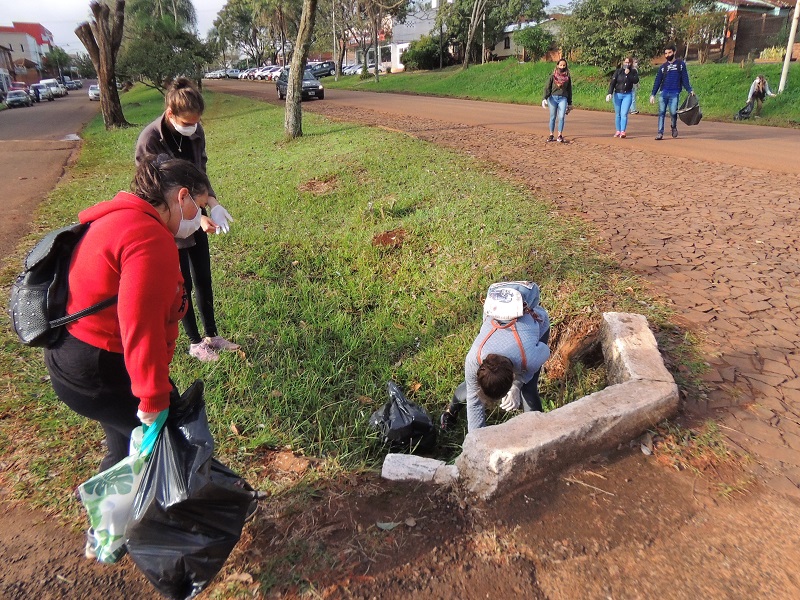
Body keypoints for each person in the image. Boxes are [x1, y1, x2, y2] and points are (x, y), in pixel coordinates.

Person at [44, 156, 211, 476]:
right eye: (199, 207)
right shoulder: (150, 239)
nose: (198, 217)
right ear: (182, 196)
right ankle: (163, 522)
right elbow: (140, 328)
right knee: (171, 451)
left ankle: (110, 520)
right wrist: (152, 402)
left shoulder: (120, 216)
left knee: (125, 448)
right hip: (100, 368)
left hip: (71, 357)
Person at [135, 77, 239, 362]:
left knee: (203, 277)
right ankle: (195, 342)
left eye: (196, 122)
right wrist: (191, 221)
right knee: (182, 285)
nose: (192, 128)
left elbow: (199, 174)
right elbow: (155, 193)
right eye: (187, 122)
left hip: (194, 211)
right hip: (169, 221)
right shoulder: (150, 140)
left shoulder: (196, 132)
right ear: (170, 113)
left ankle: (212, 335)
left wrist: (212, 206)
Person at [440, 281, 550, 433]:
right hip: (499, 311)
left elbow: (545, 350)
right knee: (470, 386)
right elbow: (473, 400)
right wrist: (476, 440)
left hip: (535, 323)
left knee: (528, 389)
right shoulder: (474, 358)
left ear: (512, 375)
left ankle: (537, 435)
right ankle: (450, 411)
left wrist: (517, 385)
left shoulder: (528, 358)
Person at [650, 44, 693, 140]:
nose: (667, 55)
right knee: (661, 113)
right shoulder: (663, 67)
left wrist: (690, 90)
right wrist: (653, 94)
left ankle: (673, 127)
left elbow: (685, 79)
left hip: (675, 93)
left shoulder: (681, 65)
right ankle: (660, 133)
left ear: (674, 52)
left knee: (673, 112)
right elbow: (658, 81)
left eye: (669, 52)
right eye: (665, 53)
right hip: (663, 93)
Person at [606, 57, 639, 138]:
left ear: (631, 63)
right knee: (618, 114)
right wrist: (609, 93)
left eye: (629, 63)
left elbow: (636, 80)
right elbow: (613, 82)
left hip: (627, 94)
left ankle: (623, 131)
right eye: (626, 62)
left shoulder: (633, 71)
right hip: (617, 94)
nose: (627, 64)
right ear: (623, 62)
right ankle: (618, 130)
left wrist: (629, 74)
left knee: (624, 113)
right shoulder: (618, 71)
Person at [542, 58, 573, 143]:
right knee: (552, 117)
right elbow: (547, 88)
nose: (562, 67)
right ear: (557, 65)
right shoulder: (553, 76)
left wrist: (570, 103)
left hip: (563, 98)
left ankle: (560, 135)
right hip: (553, 98)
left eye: (564, 65)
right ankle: (551, 134)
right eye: (561, 65)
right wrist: (544, 98)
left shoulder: (567, 77)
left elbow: (569, 90)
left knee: (561, 116)